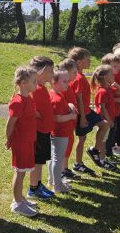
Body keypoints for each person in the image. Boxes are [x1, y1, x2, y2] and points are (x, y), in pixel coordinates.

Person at [6, 66, 39, 217]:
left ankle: (20, 198)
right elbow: (10, 123)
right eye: (34, 81)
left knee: (23, 170)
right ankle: (17, 204)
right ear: (23, 83)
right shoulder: (17, 102)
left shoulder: (28, 98)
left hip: (28, 140)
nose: (36, 84)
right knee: (19, 172)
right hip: (21, 142)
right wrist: (9, 139)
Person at [68, 47, 105, 175]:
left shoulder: (80, 76)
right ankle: (78, 164)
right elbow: (78, 98)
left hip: (87, 111)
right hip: (82, 113)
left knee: (104, 125)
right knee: (82, 138)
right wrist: (82, 117)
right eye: (87, 59)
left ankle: (94, 150)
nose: (90, 61)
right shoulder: (78, 78)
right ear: (79, 62)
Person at [28, 56, 56, 199]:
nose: (53, 74)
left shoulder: (43, 88)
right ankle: (33, 189)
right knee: (37, 161)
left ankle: (38, 184)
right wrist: (40, 116)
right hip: (38, 131)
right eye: (50, 71)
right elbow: (29, 108)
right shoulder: (35, 89)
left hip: (45, 130)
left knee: (40, 161)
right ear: (41, 72)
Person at [49, 69, 79, 191]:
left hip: (58, 133)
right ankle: (57, 185)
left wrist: (69, 106)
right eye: (64, 81)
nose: (68, 83)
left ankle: (52, 181)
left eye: (68, 80)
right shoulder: (57, 98)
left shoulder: (56, 94)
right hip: (60, 133)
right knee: (58, 159)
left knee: (54, 158)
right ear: (54, 82)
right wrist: (71, 116)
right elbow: (57, 118)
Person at [89, 66, 117, 170]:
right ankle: (101, 160)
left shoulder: (107, 89)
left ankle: (102, 159)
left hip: (107, 120)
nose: (113, 75)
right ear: (105, 77)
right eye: (111, 74)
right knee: (103, 141)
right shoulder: (102, 91)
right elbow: (102, 108)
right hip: (104, 120)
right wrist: (109, 120)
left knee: (104, 140)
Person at [58, 58, 79, 181]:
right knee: (64, 147)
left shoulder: (69, 86)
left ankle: (64, 168)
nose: (77, 74)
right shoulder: (63, 87)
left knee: (69, 145)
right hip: (65, 123)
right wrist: (69, 107)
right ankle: (61, 172)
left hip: (70, 122)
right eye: (74, 72)